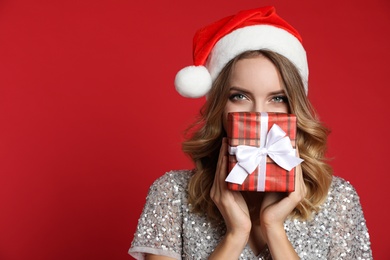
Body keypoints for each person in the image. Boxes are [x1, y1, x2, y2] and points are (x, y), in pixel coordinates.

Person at [128, 6, 373, 260]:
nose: (258, 115)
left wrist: (273, 228)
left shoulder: (338, 200)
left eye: (277, 98)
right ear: (220, 105)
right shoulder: (173, 193)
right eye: (240, 96)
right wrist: (236, 235)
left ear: (294, 107)